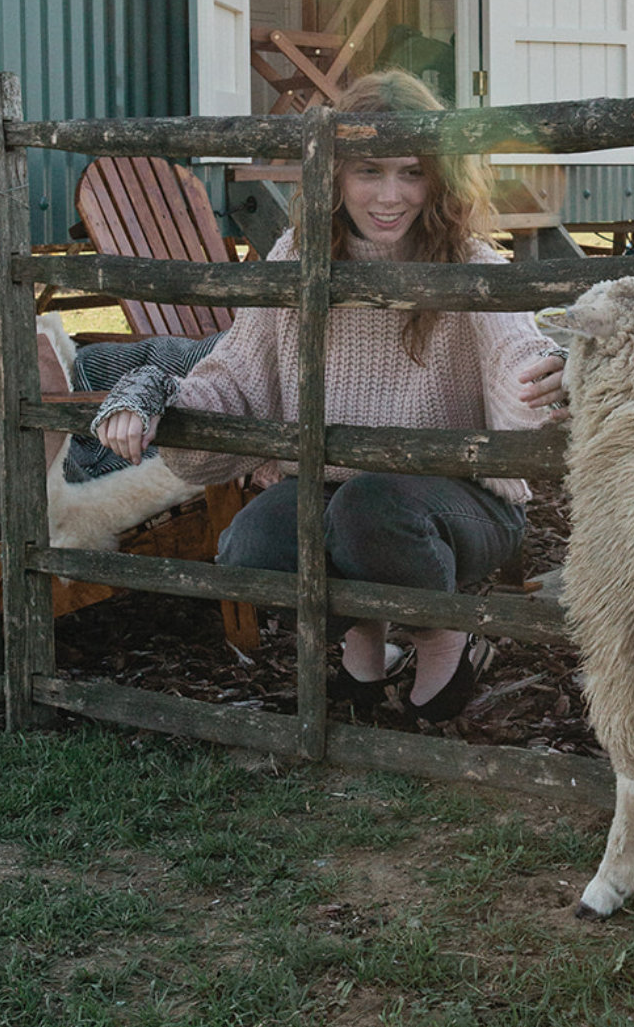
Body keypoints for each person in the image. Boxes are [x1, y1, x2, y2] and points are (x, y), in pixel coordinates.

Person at [92, 69, 568, 721]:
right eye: (369, 169)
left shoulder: (467, 259)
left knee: (367, 505)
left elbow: (519, 351)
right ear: (336, 173)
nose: (390, 195)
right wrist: (158, 395)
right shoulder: (300, 255)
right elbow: (235, 372)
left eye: (411, 171)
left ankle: (445, 635)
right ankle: (362, 638)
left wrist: (551, 379)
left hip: (461, 506)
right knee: (251, 542)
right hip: (336, 490)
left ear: (439, 178)